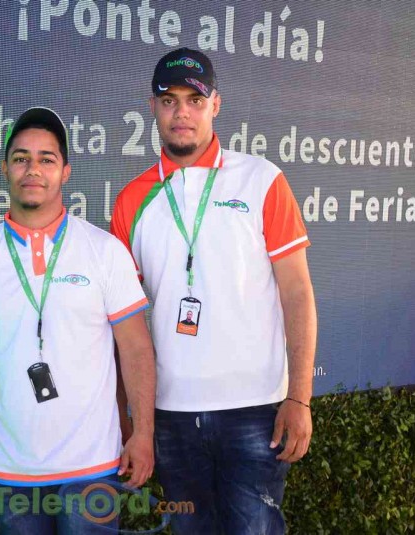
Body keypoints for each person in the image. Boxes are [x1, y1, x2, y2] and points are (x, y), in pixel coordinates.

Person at [111, 48, 317, 534]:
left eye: (195, 100)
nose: (181, 112)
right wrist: (130, 420)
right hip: (171, 416)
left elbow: (297, 293)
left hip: (255, 410)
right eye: (169, 100)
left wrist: (300, 398)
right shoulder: (131, 200)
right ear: (152, 107)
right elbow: (123, 325)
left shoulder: (262, 180)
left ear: (216, 105)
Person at [0, 107, 156, 534]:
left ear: (65, 172)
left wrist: (143, 434)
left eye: (46, 159)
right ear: (5, 169)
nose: (33, 169)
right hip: (10, 473)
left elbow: (135, 347)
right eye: (21, 158)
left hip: (93, 466)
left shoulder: (104, 251)